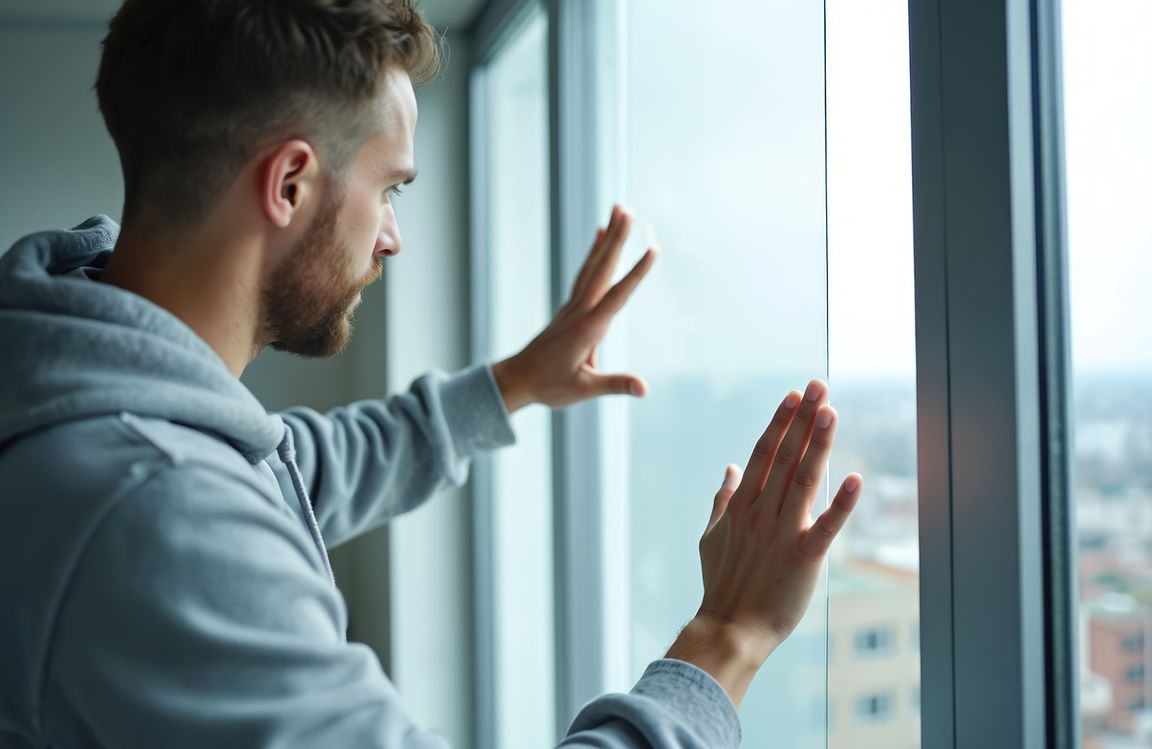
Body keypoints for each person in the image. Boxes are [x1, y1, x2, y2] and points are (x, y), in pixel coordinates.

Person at [0, 1, 862, 747]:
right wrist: (726, 636)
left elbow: (300, 464)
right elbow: (208, 501)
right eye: (391, 189)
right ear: (292, 183)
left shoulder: (85, 380)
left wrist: (516, 380)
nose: (392, 238)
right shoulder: (150, 508)